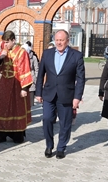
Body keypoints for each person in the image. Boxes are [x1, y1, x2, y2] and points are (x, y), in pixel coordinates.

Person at [35, 30, 85, 159]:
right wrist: (38, 93)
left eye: (62, 40)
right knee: (46, 119)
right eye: (57, 40)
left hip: (67, 95)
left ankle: (61, 147)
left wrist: (77, 97)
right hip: (49, 93)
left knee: (65, 123)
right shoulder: (47, 54)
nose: (59, 42)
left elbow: (80, 79)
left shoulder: (76, 55)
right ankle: (49, 145)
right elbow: (40, 75)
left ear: (68, 41)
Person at [0, 31, 33, 144]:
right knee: (2, 107)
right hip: (4, 83)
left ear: (13, 40)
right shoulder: (3, 51)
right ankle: (1, 134)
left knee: (16, 109)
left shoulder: (21, 52)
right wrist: (1, 57)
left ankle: (17, 134)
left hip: (17, 84)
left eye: (7, 42)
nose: (5, 44)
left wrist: (24, 89)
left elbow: (25, 69)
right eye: (3, 42)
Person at [23, 41, 39, 106]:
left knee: (30, 96)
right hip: (23, 78)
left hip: (31, 77)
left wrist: (36, 78)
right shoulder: (21, 57)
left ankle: (31, 109)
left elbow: (36, 69)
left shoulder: (33, 57)